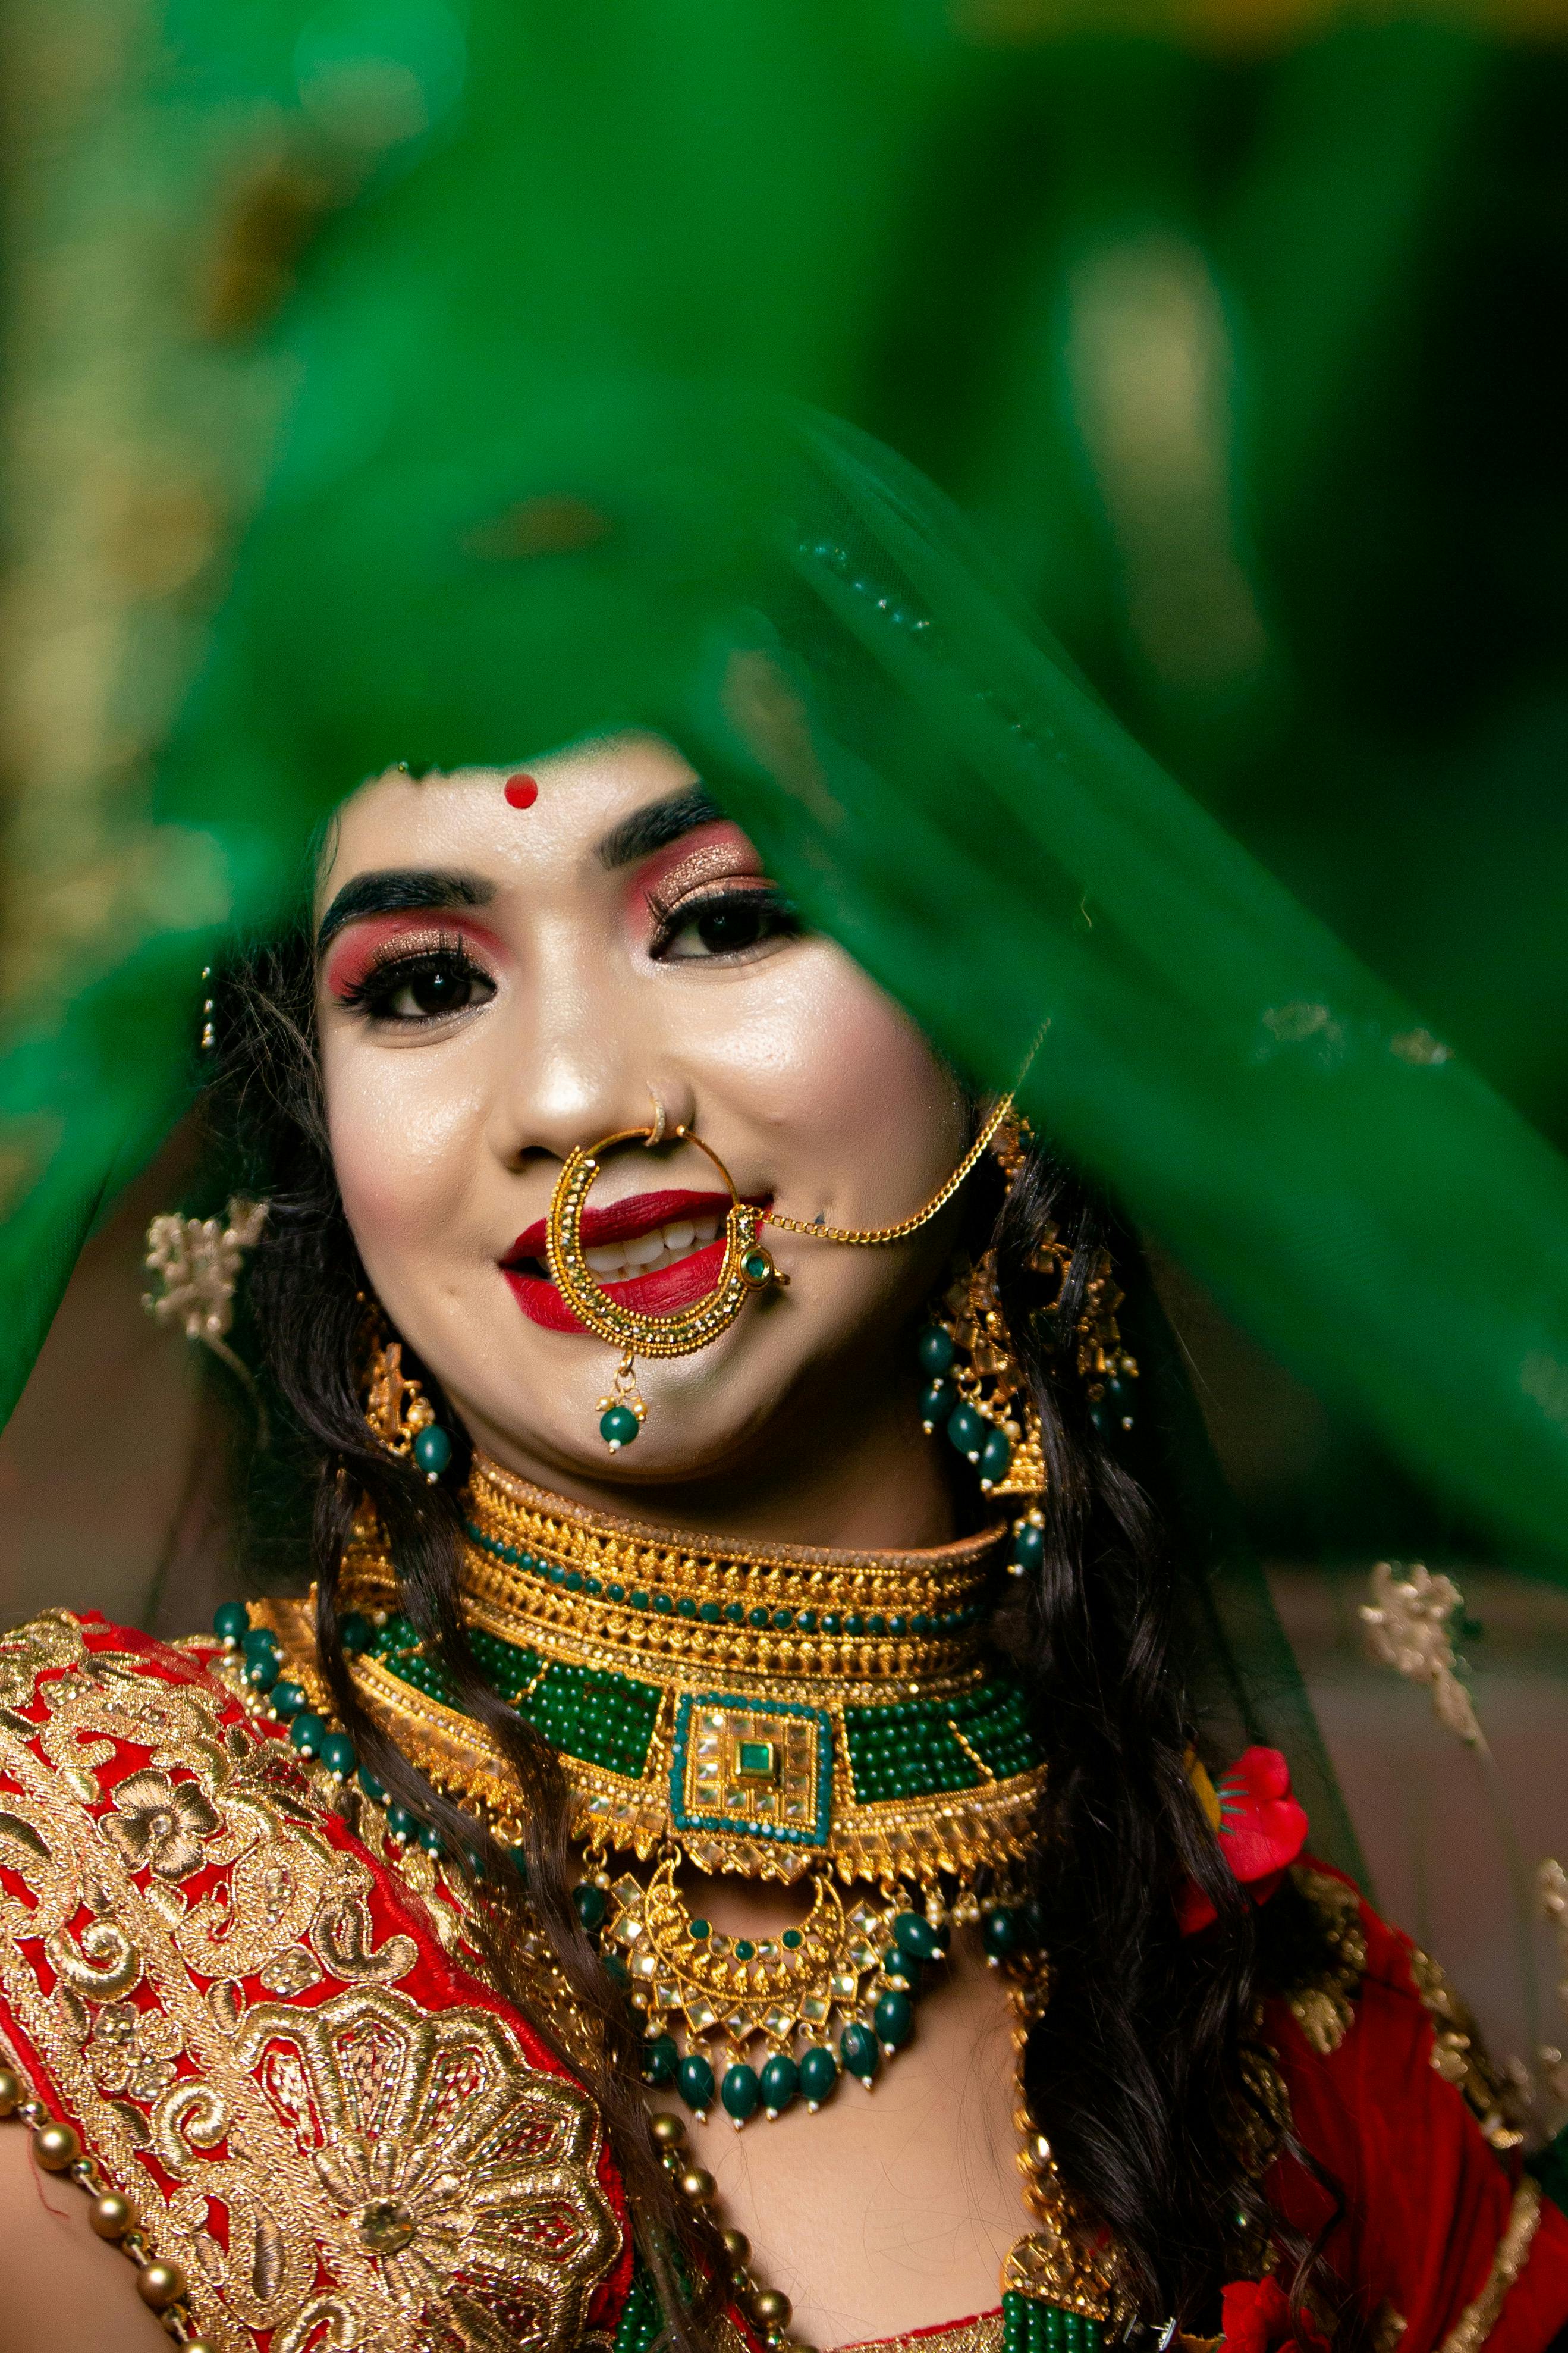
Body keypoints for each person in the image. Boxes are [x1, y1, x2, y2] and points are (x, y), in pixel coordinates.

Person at [0, 410, 1564, 2353]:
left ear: (1003, 991)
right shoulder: (77, 1914)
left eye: (725, 920)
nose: (578, 1094)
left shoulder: (1318, 2056)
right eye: (421, 983)